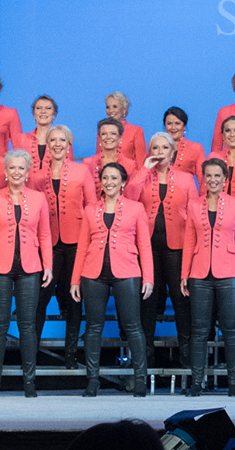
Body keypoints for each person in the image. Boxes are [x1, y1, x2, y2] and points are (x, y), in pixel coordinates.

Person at [0, 150, 53, 398]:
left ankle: (30, 383)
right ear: (5, 172)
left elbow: (45, 235)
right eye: (12, 168)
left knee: (27, 326)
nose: (16, 172)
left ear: (27, 172)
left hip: (30, 268)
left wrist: (47, 265)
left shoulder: (39, 198)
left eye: (21, 168)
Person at [71, 163, 153, 397]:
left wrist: (148, 277)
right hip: (92, 272)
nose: (109, 182)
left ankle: (140, 379)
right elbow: (82, 246)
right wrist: (75, 280)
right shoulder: (90, 209)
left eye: (114, 178)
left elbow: (144, 245)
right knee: (93, 327)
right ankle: (93, 380)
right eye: (105, 177)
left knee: (133, 325)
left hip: (127, 271)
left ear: (123, 182)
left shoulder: (136, 208)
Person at [181, 158, 235, 397]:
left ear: (225, 179)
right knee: (199, 331)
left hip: (230, 272)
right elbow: (189, 241)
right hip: (199, 273)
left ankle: (234, 383)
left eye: (217, 176)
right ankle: (197, 383)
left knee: (231, 329)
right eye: (208, 176)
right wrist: (185, 274)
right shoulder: (193, 205)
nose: (212, 180)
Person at [128, 133, 198, 368]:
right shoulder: (142, 176)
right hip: (147, 249)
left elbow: (194, 215)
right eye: (155, 147)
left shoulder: (187, 179)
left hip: (176, 248)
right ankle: (144, 358)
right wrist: (143, 172)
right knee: (147, 302)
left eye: (164, 147)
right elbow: (128, 199)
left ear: (173, 151)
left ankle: (187, 358)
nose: (160, 151)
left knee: (181, 301)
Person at [33, 124, 94, 369]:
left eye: (63, 140)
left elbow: (92, 207)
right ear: (48, 145)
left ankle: (70, 354)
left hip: (76, 242)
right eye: (53, 140)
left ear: (69, 145)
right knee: (40, 298)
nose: (58, 144)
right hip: (47, 244)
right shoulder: (37, 175)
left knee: (73, 298)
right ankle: (32, 353)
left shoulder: (82, 172)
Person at [14, 95, 64, 186]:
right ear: (34, 114)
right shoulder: (21, 139)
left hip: (53, 191)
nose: (43, 111)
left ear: (54, 114)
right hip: (26, 191)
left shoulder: (63, 140)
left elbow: (68, 169)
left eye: (48, 108)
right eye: (39, 108)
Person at [84, 118, 139, 199]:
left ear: (120, 138)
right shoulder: (87, 163)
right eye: (104, 134)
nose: (108, 137)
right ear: (99, 138)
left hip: (122, 209)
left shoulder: (130, 164)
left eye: (113, 133)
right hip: (94, 209)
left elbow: (132, 194)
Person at [97, 92, 146, 160]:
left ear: (124, 109)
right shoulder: (102, 131)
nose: (111, 111)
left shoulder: (136, 131)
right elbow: (97, 159)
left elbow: (141, 162)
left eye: (115, 107)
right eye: (108, 107)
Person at [162, 106, 207, 176]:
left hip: (187, 187)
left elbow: (203, 179)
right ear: (165, 126)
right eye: (169, 123)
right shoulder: (157, 146)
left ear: (184, 126)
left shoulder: (196, 148)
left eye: (177, 123)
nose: (173, 127)